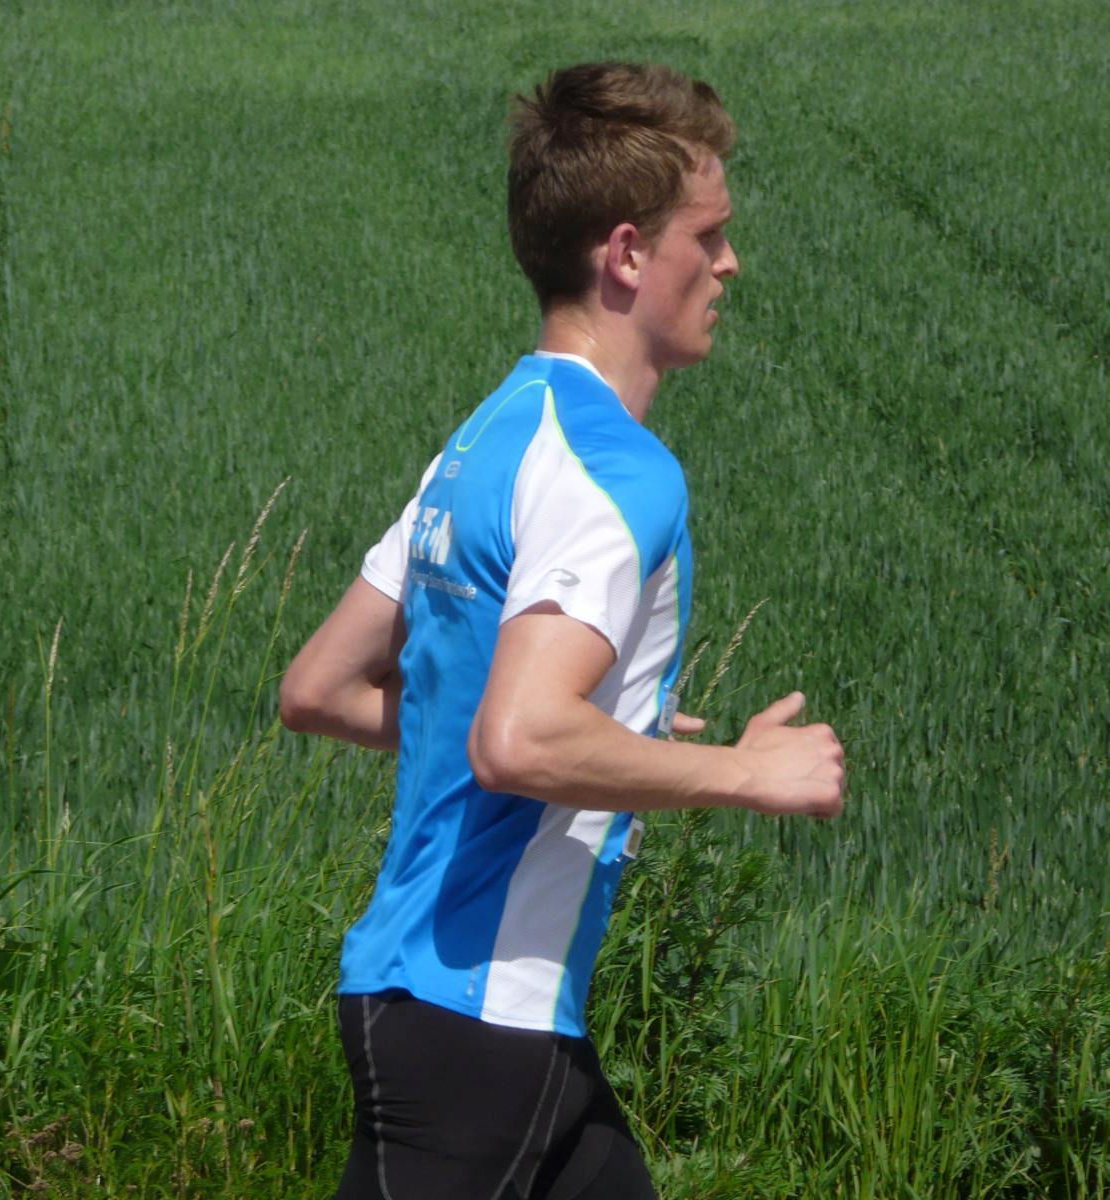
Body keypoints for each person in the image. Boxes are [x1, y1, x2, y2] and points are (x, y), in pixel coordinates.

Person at [279, 62, 846, 1199]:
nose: (729, 263)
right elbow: (520, 738)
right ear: (628, 254)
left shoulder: (486, 440)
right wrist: (741, 773)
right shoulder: (617, 471)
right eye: (708, 235)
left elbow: (321, 688)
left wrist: (614, 736)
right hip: (477, 1028)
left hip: (462, 1014)